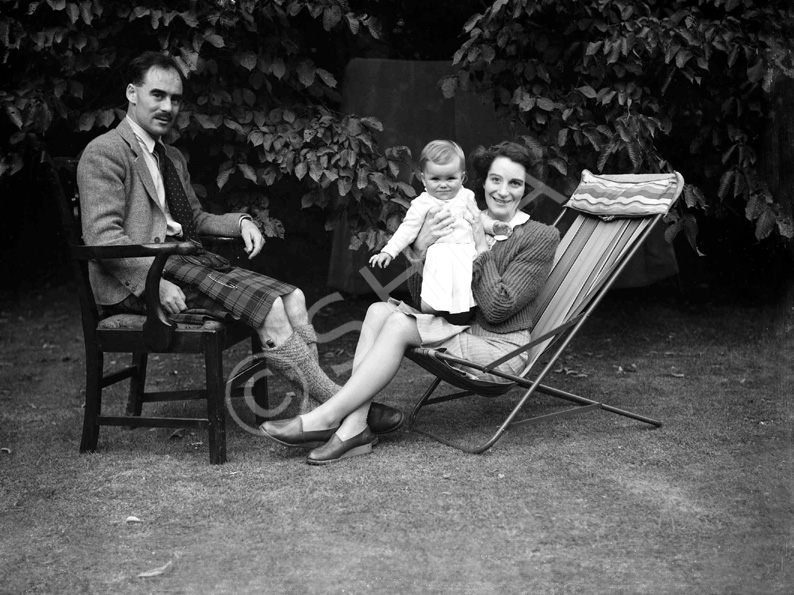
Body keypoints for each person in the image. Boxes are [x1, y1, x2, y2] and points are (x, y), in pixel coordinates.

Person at [76, 51, 402, 435]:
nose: (168, 107)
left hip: (184, 261)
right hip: (139, 279)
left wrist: (241, 222)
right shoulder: (105, 152)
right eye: (157, 95)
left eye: (176, 99)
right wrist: (156, 284)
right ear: (132, 93)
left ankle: (330, 409)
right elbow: (103, 239)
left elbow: (193, 220)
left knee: (294, 298)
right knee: (271, 312)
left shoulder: (171, 156)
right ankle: (343, 409)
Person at [262, 141, 561, 464]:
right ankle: (354, 426)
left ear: (526, 188)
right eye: (496, 180)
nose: (503, 192)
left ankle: (325, 418)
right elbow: (423, 299)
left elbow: (497, 308)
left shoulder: (539, 237)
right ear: (483, 182)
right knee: (379, 310)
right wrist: (422, 247)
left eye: (515, 183)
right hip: (459, 329)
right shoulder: (461, 216)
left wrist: (480, 247)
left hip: (500, 351)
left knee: (399, 324)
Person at [369, 139, 511, 323]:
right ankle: (431, 307)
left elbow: (478, 218)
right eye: (435, 179)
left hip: (465, 252)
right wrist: (389, 251)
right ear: (423, 178)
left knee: (463, 290)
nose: (443, 185)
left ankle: (461, 315)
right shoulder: (422, 203)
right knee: (438, 278)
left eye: (450, 178)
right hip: (440, 252)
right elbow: (407, 229)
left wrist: (493, 226)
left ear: (462, 177)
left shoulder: (466, 196)